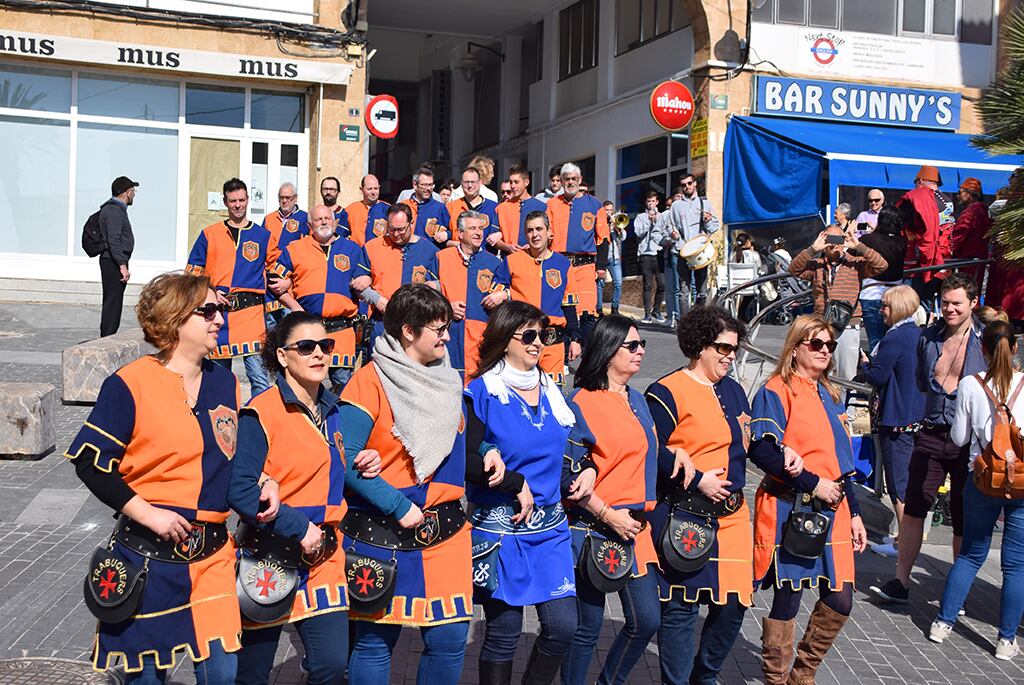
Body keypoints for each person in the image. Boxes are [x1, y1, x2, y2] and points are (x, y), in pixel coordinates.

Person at [66, 272, 266, 683]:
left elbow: (228, 456)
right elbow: (90, 461)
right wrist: (149, 513)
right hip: (148, 559)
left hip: (212, 557)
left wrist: (265, 480)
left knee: (222, 675)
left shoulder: (225, 382)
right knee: (146, 679)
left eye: (221, 309)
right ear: (174, 319)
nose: (219, 319)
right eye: (207, 310)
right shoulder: (130, 383)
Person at [228, 312, 400, 685]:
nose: (319, 354)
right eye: (306, 347)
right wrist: (297, 525)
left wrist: (359, 463)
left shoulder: (334, 409)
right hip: (268, 556)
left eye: (326, 345)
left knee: (330, 666)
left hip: (324, 559)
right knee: (252, 674)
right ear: (282, 356)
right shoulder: (262, 411)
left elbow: (323, 469)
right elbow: (240, 489)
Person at [338, 284, 478, 685]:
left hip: (446, 532)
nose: (447, 337)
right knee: (375, 643)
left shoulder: (448, 378)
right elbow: (345, 458)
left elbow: (455, 433)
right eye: (438, 329)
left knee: (450, 639)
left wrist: (484, 448)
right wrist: (397, 505)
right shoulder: (369, 381)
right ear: (408, 332)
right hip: (383, 532)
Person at [465, 301, 580, 685]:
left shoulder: (552, 388)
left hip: (550, 529)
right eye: (528, 335)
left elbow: (574, 442)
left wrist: (589, 467)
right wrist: (514, 481)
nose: (537, 343)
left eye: (542, 335)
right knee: (503, 634)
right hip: (500, 530)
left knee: (564, 626)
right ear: (504, 339)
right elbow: (464, 460)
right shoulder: (481, 392)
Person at [749, 314, 867, 684]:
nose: (824, 351)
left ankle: (803, 675)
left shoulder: (829, 393)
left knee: (841, 599)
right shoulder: (776, 389)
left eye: (829, 346)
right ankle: (776, 678)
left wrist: (857, 513)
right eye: (816, 344)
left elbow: (843, 463)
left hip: (837, 507)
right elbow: (763, 452)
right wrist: (813, 483)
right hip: (793, 507)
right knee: (789, 599)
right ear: (796, 346)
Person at [645, 306, 758, 685]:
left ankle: (704, 676)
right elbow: (651, 452)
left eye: (734, 350)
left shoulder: (735, 390)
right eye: (722, 348)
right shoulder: (665, 391)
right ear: (698, 346)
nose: (729, 356)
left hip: (733, 517)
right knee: (680, 607)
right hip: (685, 516)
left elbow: (747, 444)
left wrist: (784, 450)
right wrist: (695, 481)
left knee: (734, 605)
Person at [873, 273, 985, 604]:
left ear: (973, 304)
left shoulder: (985, 340)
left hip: (969, 441)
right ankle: (900, 581)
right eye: (945, 302)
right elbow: (924, 382)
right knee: (915, 507)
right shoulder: (928, 338)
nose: (949, 309)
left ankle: (957, 593)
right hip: (932, 432)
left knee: (962, 515)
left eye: (957, 303)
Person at [561, 315, 660, 685]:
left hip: (637, 529)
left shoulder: (638, 398)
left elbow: (646, 454)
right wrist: (606, 513)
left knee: (646, 620)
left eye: (642, 345)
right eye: (631, 345)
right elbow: (567, 477)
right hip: (594, 529)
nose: (640, 351)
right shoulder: (581, 402)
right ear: (607, 352)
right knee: (587, 628)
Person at [929, 320, 1024, 660]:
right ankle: (1006, 640)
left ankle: (943, 623)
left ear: (981, 350)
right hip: (1021, 484)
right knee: (1016, 566)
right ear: (1014, 348)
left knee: (970, 554)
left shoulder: (971, 383)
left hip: (982, 478)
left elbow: (959, 438)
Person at [186, 177, 273, 395]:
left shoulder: (262, 236)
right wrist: (212, 292)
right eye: (233, 200)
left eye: (242, 200)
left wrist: (287, 280)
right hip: (218, 316)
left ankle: (258, 424)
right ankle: (220, 422)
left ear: (248, 200)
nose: (238, 205)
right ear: (225, 202)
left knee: (260, 380)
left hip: (251, 314)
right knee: (218, 381)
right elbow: (192, 272)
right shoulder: (210, 234)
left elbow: (278, 266)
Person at [858, 285, 925, 558]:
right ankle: (903, 540)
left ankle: (903, 544)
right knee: (906, 480)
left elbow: (877, 376)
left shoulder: (894, 338)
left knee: (898, 484)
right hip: (914, 417)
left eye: (885, 306)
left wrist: (865, 364)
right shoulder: (919, 335)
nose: (881, 310)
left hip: (896, 419)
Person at [269, 205, 365, 391]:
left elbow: (363, 280)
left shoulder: (352, 250)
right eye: (318, 219)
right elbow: (274, 281)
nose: (323, 222)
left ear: (335, 222)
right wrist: (294, 306)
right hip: (307, 330)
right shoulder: (295, 249)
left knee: (343, 388)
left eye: (327, 218)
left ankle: (337, 421)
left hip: (341, 331)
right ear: (309, 225)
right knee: (302, 384)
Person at [484, 211, 581, 386]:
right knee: (520, 392)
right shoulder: (511, 261)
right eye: (529, 230)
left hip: (553, 343)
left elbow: (569, 305)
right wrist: (506, 294)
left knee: (551, 396)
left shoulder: (563, 264)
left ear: (548, 231)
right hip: (521, 341)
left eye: (539, 229)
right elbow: (495, 298)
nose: (534, 234)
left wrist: (575, 338)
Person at [788, 224, 888, 381]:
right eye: (830, 239)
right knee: (818, 373)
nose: (834, 244)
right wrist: (813, 249)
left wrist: (858, 245)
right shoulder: (817, 265)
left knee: (846, 376)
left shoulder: (856, 264)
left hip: (847, 325)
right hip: (821, 326)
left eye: (838, 239)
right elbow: (794, 269)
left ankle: (844, 406)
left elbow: (882, 265)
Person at [427, 210, 502, 381]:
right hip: (447, 338)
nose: (478, 232)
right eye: (473, 228)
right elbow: (425, 296)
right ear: (460, 234)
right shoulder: (441, 258)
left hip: (480, 340)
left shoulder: (494, 263)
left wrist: (504, 295)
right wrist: (447, 307)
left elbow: (506, 299)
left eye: (481, 228)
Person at [351, 203, 439, 347]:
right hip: (382, 323)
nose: (396, 234)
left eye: (401, 229)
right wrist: (377, 299)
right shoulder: (372, 247)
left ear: (411, 223)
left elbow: (441, 284)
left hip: (417, 325)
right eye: (391, 229)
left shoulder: (430, 251)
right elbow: (357, 284)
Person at [546, 162, 610, 328]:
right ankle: (564, 351)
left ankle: (586, 350)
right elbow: (546, 234)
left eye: (574, 178)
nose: (570, 182)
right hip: (559, 265)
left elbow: (603, 238)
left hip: (585, 268)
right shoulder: (552, 204)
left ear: (580, 180)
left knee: (587, 314)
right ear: (561, 180)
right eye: (567, 179)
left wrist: (601, 266)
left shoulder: (595, 204)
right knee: (559, 314)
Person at [897, 165, 952, 305]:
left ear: (921, 181)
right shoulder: (947, 201)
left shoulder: (917, 197)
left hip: (917, 263)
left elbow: (925, 233)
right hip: (940, 262)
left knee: (909, 305)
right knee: (927, 304)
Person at [859, 205, 908, 351]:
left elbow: (851, 252)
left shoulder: (868, 240)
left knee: (875, 341)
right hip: (895, 295)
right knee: (894, 342)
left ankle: (876, 369)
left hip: (870, 293)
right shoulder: (902, 243)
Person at [669, 174, 720, 315]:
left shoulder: (705, 204)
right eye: (684, 185)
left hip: (700, 252)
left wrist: (708, 221)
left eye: (689, 183)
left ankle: (698, 320)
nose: (687, 187)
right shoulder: (676, 206)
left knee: (702, 292)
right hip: (683, 252)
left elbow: (715, 227)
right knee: (684, 291)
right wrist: (674, 236)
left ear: (695, 183)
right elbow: (671, 227)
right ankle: (686, 324)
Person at [98, 175, 137, 336]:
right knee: (113, 302)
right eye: (133, 191)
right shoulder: (114, 211)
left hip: (114, 260)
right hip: (113, 262)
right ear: (126, 192)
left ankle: (108, 335)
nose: (134, 194)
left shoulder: (115, 209)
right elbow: (114, 240)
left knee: (114, 301)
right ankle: (107, 338)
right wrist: (122, 265)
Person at [446, 167, 508, 253]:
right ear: (461, 184)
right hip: (458, 258)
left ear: (480, 183)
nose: (470, 185)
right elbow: (444, 238)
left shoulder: (494, 208)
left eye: (473, 182)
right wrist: (458, 244)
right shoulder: (451, 207)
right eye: (466, 182)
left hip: (486, 260)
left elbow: (508, 230)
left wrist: (500, 234)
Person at [950, 177, 992, 291]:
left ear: (969, 193)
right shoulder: (983, 209)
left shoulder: (972, 212)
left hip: (968, 259)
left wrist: (949, 247)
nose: (958, 196)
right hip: (978, 257)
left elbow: (959, 233)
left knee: (966, 291)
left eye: (960, 192)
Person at [634, 191, 669, 324]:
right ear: (646, 203)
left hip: (659, 252)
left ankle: (657, 310)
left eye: (653, 201)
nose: (651, 204)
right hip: (645, 254)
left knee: (662, 284)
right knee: (647, 285)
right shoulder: (640, 217)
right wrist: (649, 222)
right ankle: (647, 314)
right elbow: (638, 232)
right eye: (649, 201)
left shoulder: (662, 216)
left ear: (657, 202)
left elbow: (665, 232)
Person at [495, 163, 546, 252]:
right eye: (511, 182)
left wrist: (533, 245)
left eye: (516, 182)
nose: (513, 186)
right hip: (509, 258)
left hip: (533, 259)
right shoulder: (501, 208)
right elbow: (493, 239)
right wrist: (507, 247)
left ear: (526, 182)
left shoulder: (541, 207)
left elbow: (549, 236)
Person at [402, 166, 453, 249]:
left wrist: (446, 234)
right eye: (424, 185)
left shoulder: (440, 208)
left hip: (431, 256)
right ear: (415, 185)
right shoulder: (404, 206)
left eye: (431, 185)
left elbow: (453, 230)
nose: (428, 188)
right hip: (407, 254)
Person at [264, 182, 310, 260]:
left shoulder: (305, 218)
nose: (284, 201)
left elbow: (312, 244)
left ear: (295, 198)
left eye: (288, 197)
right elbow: (262, 244)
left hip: (294, 266)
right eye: (281, 197)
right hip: (271, 266)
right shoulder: (269, 219)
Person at [342, 174, 390, 246]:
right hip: (357, 254)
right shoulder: (350, 210)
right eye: (369, 189)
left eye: (376, 188)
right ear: (361, 190)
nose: (373, 192)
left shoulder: (388, 209)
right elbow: (341, 236)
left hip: (379, 254)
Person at [598, 200, 624, 317]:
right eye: (606, 210)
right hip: (603, 258)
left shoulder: (615, 224)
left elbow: (623, 238)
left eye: (610, 210)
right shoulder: (600, 223)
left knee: (618, 283)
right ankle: (599, 308)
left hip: (614, 258)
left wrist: (619, 229)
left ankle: (615, 307)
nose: (609, 213)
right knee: (600, 284)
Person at [662, 189, 684, 327]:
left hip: (687, 253)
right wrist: (669, 239)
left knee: (687, 288)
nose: (680, 199)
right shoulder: (666, 215)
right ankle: (674, 316)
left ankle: (683, 316)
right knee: (674, 288)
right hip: (673, 253)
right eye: (677, 197)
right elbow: (659, 235)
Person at [733, 233, 766, 323]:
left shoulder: (733, 255)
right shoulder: (754, 255)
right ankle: (742, 312)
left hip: (735, 286)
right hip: (750, 286)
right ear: (747, 242)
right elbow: (759, 270)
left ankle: (739, 313)